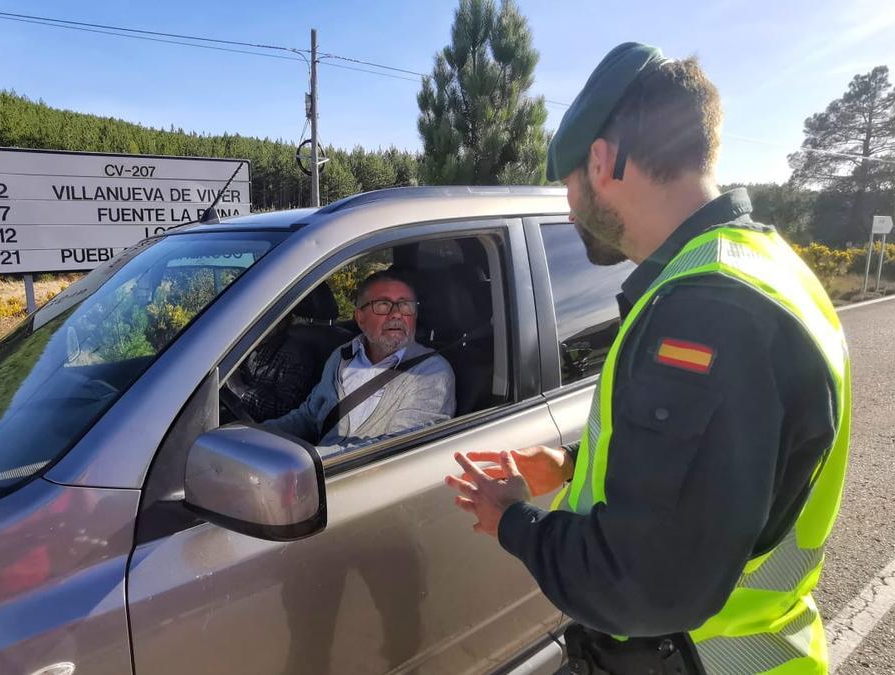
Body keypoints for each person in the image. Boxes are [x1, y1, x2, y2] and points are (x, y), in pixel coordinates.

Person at [445, 42, 850, 675]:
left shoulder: (706, 311)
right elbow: (718, 464)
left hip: (698, 660)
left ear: (602, 161)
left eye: (570, 186)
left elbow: (639, 585)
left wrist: (510, 522)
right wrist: (568, 464)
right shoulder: (761, 265)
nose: (572, 209)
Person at [265, 270, 455, 454]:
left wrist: (307, 462)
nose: (397, 314)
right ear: (360, 318)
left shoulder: (431, 372)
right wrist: (256, 434)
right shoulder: (342, 355)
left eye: (405, 305)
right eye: (383, 305)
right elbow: (309, 417)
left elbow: (395, 450)